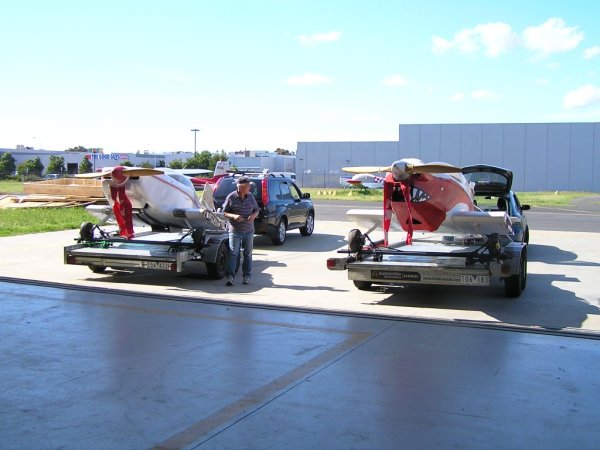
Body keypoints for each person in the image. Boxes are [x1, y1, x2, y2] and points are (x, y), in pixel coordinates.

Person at [222, 176, 259, 286]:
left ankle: (246, 276)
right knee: (234, 253)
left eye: (249, 186)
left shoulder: (250, 196)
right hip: (235, 230)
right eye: (247, 186)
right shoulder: (231, 197)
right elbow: (224, 213)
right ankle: (230, 277)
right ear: (240, 187)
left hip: (249, 230)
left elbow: (257, 209)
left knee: (248, 254)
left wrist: (253, 215)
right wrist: (234, 216)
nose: (249, 188)